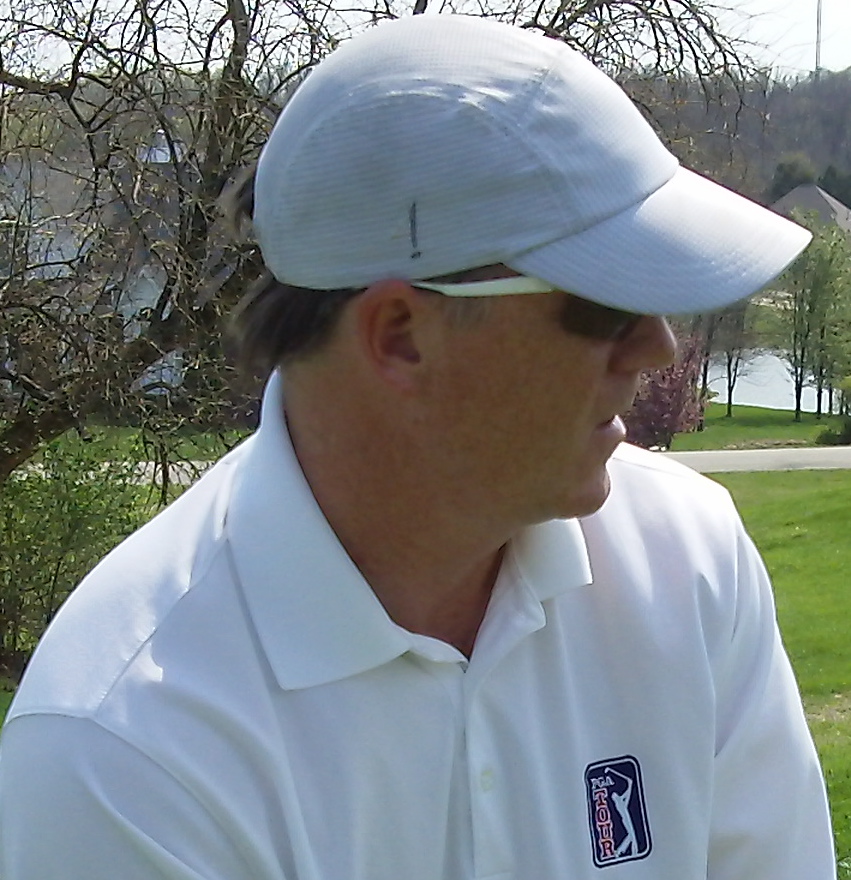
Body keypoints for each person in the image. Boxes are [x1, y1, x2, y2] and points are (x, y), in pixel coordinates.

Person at [0, 14, 836, 880]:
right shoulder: (122, 751)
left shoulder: (688, 561)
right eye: (604, 305)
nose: (656, 348)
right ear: (399, 334)